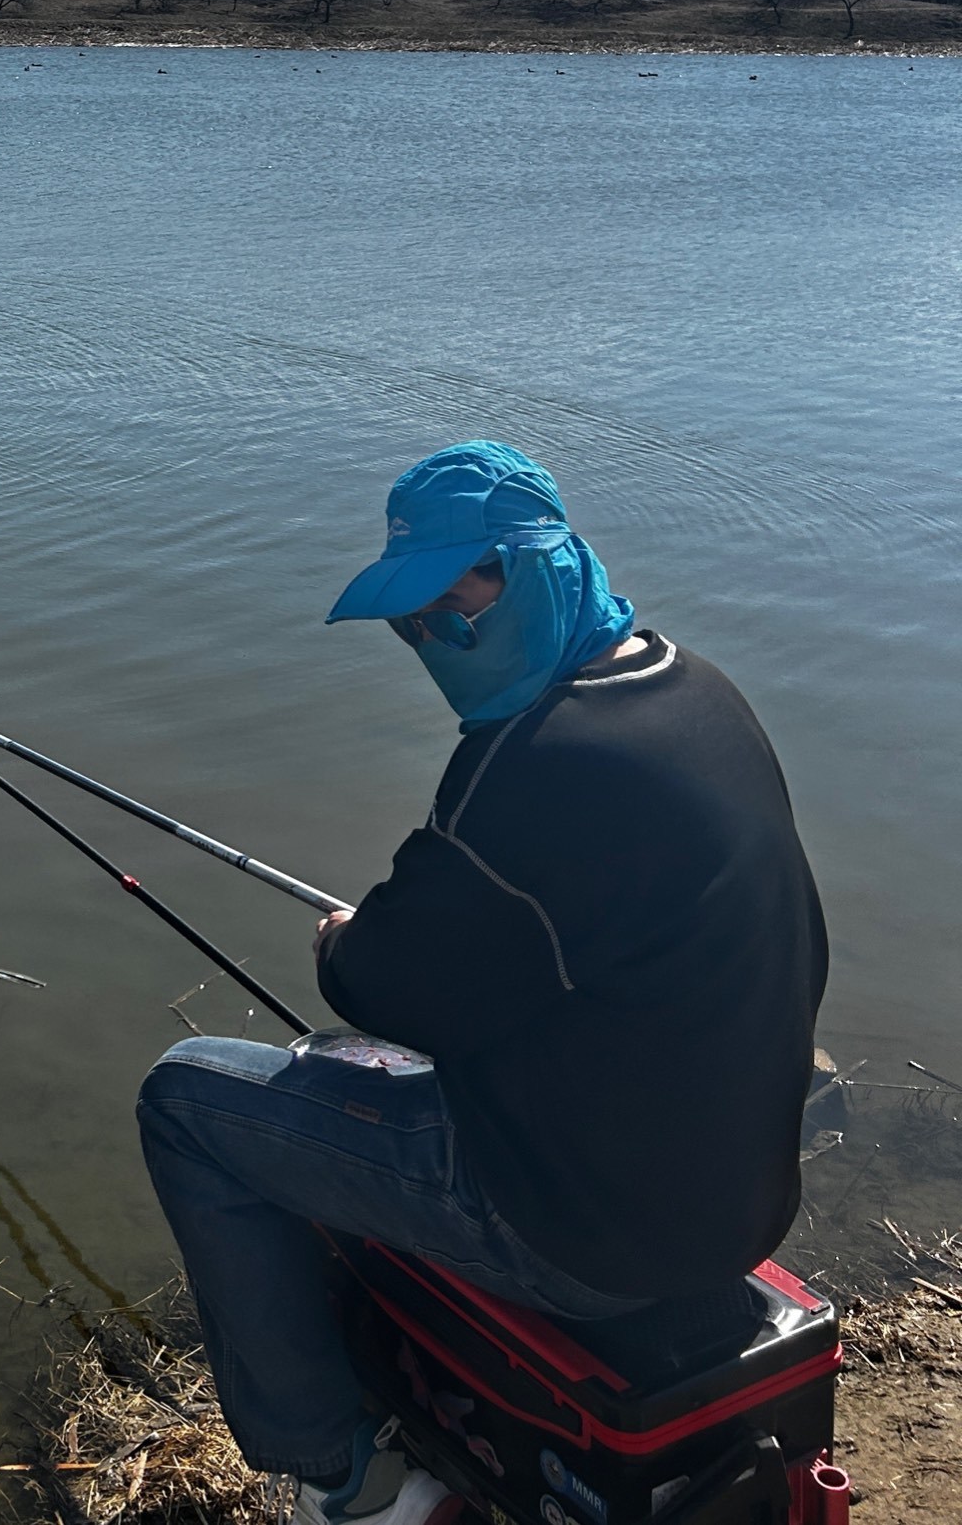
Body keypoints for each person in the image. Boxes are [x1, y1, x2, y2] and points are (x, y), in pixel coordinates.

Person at [136, 441, 828, 1525]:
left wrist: (338, 943)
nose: (430, 640)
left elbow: (374, 984)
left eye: (450, 607)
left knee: (184, 1100)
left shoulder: (529, 762)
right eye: (409, 625)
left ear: (540, 563)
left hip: (589, 1238)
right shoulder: (697, 696)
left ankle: (342, 1481)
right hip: (738, 1205)